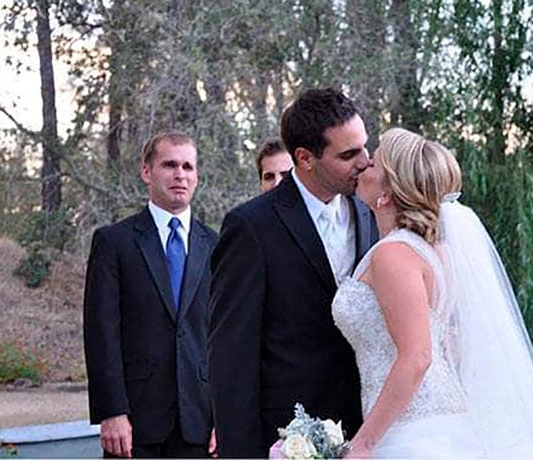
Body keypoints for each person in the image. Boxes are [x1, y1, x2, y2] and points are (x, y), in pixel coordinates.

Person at [332, 127, 533, 458]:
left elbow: (417, 357)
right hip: (429, 424)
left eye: (374, 165)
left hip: (412, 434)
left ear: (387, 194)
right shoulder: (433, 250)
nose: (363, 165)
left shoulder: (393, 255)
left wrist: (364, 442)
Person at [207, 88, 379, 458]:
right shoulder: (251, 227)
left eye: (365, 147)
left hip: (369, 429)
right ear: (305, 158)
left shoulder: (371, 213)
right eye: (348, 154)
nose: (365, 162)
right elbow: (231, 355)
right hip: (286, 437)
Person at [83, 131, 218, 458]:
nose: (180, 175)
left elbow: (226, 338)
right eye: (169, 165)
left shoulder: (216, 246)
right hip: (134, 425)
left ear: (197, 176)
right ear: (147, 172)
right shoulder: (114, 243)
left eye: (188, 166)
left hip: (200, 424)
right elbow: (101, 333)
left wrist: (225, 414)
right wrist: (112, 412)